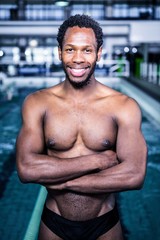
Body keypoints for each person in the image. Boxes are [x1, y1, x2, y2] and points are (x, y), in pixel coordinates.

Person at [16, 14, 147, 240]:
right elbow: (27, 169)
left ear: (99, 53)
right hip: (54, 223)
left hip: (104, 224)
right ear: (60, 52)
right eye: (70, 49)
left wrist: (63, 181)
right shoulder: (37, 103)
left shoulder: (123, 106)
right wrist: (96, 161)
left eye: (87, 50)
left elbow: (134, 175)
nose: (78, 58)